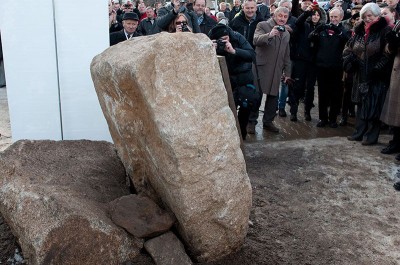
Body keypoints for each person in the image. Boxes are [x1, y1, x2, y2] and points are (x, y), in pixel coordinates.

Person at [343, 3, 392, 145]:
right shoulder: (359, 30)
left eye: (370, 15)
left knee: (374, 106)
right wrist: (349, 60)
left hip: (376, 76)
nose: (367, 18)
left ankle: (371, 136)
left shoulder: (384, 30)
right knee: (360, 103)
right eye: (364, 16)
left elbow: (387, 54)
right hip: (360, 73)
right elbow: (349, 48)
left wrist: (378, 69)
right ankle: (359, 132)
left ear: (377, 16)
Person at [208, 24, 256, 140]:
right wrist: (211, 51)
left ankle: (242, 133)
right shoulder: (210, 43)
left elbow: (252, 55)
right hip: (226, 80)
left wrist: (234, 51)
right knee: (227, 110)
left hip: (243, 79)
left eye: (226, 38)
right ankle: (230, 135)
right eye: (221, 40)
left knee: (246, 106)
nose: (224, 41)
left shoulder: (237, 37)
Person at [253, 7, 292, 133]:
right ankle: (251, 122)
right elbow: (255, 40)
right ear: (274, 15)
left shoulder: (286, 33)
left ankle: (268, 122)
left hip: (276, 69)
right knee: (256, 97)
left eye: (285, 17)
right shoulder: (263, 25)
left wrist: (287, 73)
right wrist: (269, 35)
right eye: (280, 15)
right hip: (261, 68)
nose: (282, 18)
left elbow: (287, 54)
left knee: (273, 97)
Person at [309, 7, 349, 128]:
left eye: (336, 17)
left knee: (336, 94)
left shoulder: (344, 30)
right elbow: (310, 38)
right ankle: (323, 118)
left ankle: (333, 119)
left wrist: (339, 32)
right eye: (331, 16)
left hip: (337, 67)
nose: (333, 19)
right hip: (322, 66)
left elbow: (348, 42)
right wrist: (317, 30)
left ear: (341, 18)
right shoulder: (323, 29)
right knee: (322, 93)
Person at [288, 3, 326, 121]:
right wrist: (306, 12)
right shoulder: (304, 25)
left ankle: (307, 111)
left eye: (317, 15)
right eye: (313, 15)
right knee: (297, 86)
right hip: (301, 60)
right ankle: (294, 111)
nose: (315, 17)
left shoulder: (322, 28)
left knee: (310, 88)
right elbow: (297, 23)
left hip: (313, 62)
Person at [380, 21, 400, 157]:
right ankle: (396, 142)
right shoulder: (399, 24)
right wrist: (392, 44)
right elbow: (388, 49)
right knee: (396, 112)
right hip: (397, 72)